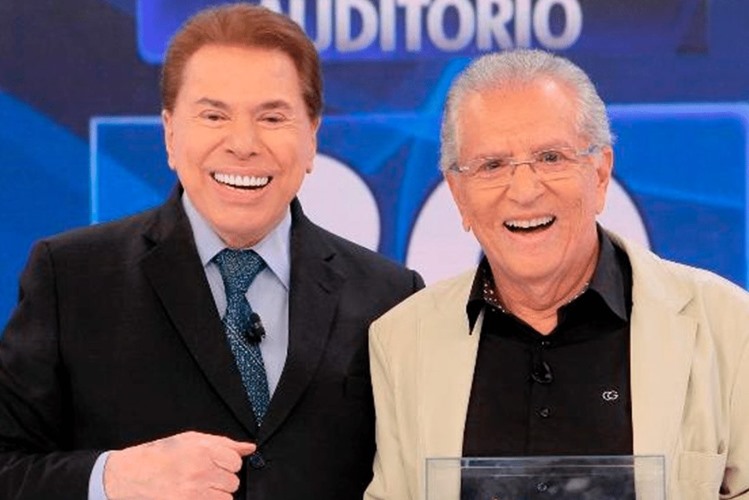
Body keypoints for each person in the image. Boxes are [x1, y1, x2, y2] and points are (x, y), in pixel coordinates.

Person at [0, 4, 423, 499]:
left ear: (311, 137)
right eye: (213, 115)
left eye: (272, 117)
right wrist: (113, 478)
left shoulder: (390, 296)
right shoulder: (71, 278)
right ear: (170, 134)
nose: (243, 143)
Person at [364, 49, 749, 500]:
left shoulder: (728, 324)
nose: (524, 191)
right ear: (458, 193)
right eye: (492, 165)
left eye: (550, 157)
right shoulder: (401, 341)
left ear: (600, 174)